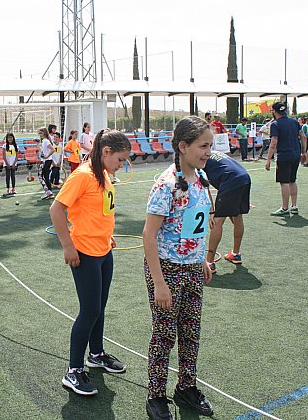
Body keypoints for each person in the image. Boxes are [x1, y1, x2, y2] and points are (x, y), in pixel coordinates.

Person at [50, 128, 131, 396]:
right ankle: (73, 371)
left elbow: (101, 210)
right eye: (120, 159)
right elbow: (56, 210)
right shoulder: (82, 176)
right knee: (89, 311)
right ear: (106, 152)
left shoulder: (103, 174)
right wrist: (68, 246)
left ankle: (96, 354)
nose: (122, 165)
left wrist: (107, 235)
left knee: (99, 307)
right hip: (84, 253)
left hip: (103, 251)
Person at [142, 116, 214, 419]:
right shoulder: (166, 185)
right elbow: (149, 235)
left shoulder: (201, 178)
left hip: (193, 268)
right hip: (167, 271)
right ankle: (156, 395)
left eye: (210, 145)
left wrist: (202, 259)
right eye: (203, 146)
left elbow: (196, 226)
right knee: (164, 335)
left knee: (191, 332)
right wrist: (159, 284)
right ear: (183, 146)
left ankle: (186, 387)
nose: (208, 151)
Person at [204, 151, 251, 273]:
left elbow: (205, 188)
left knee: (217, 221)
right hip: (244, 177)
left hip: (231, 180)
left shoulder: (200, 159)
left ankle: (209, 263)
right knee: (237, 216)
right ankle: (235, 254)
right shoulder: (213, 153)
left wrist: (212, 212)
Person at [265, 102, 305, 216]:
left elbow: (273, 142)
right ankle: (294, 206)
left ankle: (285, 207)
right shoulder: (294, 121)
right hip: (296, 154)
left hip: (284, 156)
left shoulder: (275, 124)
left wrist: (268, 160)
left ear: (274, 111)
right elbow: (303, 136)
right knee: (292, 180)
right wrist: (303, 151)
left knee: (284, 182)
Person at [38, 127, 55, 200]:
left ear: (44, 133)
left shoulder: (46, 141)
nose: (40, 134)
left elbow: (53, 149)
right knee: (45, 176)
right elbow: (43, 151)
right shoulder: (44, 141)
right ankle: (49, 192)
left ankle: (48, 191)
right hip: (46, 160)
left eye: (41, 133)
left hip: (46, 161)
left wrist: (46, 156)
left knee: (41, 176)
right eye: (39, 133)